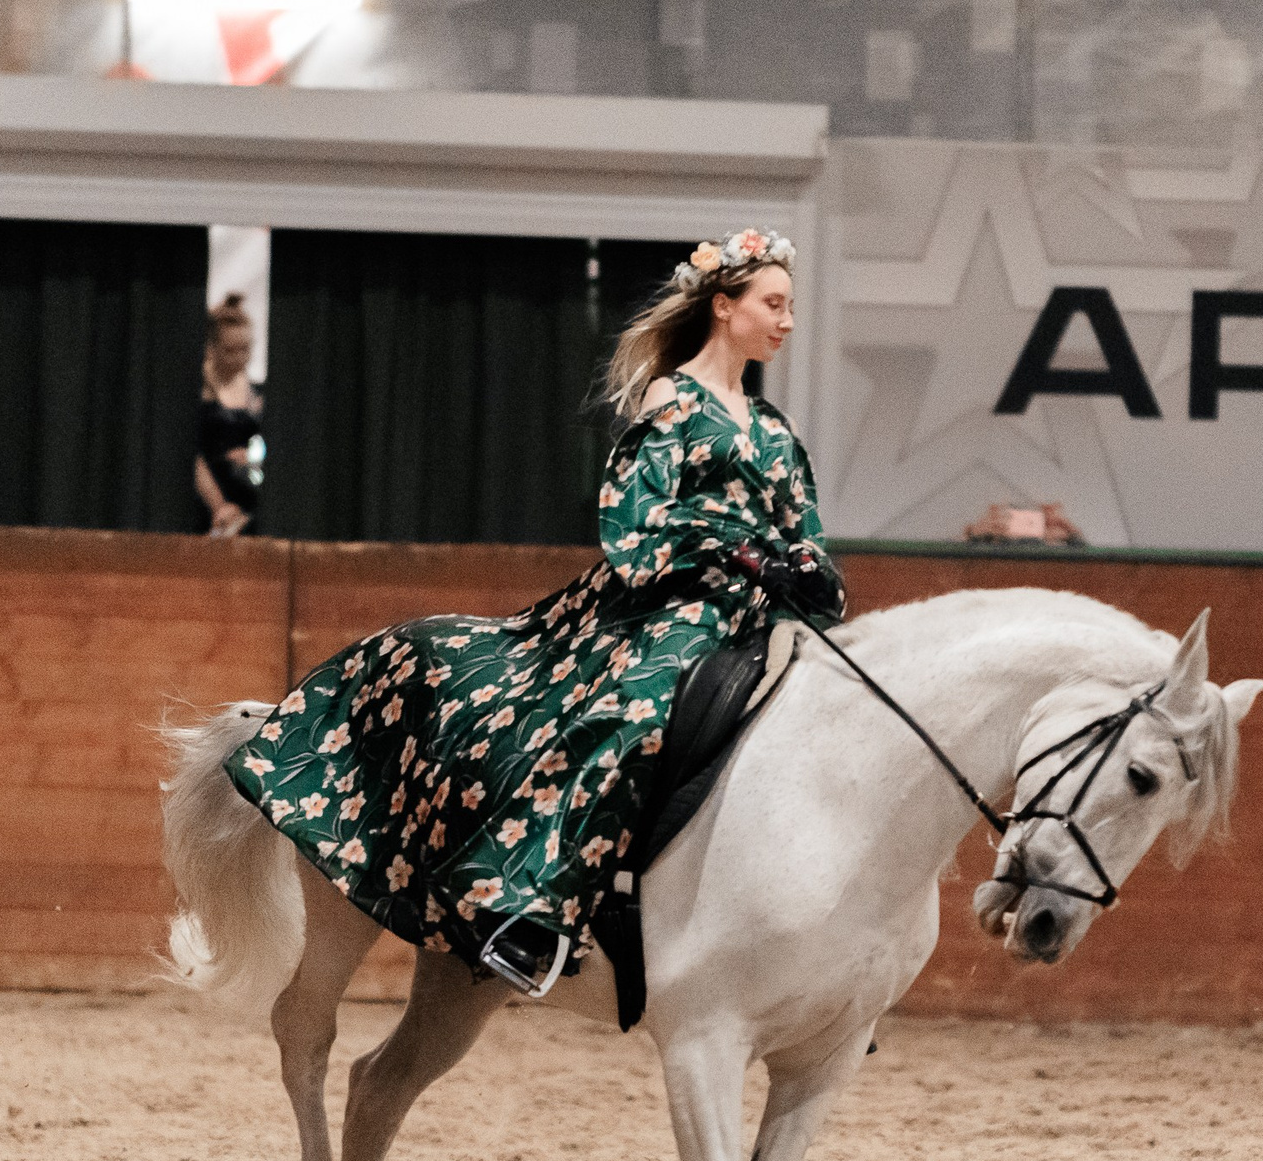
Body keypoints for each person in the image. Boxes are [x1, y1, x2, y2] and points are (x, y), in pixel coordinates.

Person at [224, 226, 842, 994]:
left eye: (789, 308)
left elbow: (805, 527)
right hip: (665, 611)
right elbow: (634, 520)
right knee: (632, 716)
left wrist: (807, 568)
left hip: (763, 618)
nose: (786, 321)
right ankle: (529, 908)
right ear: (724, 306)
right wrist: (725, 549)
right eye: (773, 304)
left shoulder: (775, 429)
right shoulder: (672, 400)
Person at [196, 293, 264, 536]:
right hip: (208, 499)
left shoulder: (256, 392)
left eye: (246, 349)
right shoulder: (201, 390)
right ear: (212, 348)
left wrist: (254, 456)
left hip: (248, 498)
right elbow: (193, 456)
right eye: (231, 351)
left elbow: (265, 446)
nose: (240, 358)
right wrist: (219, 505)